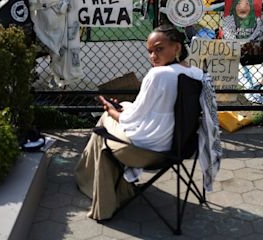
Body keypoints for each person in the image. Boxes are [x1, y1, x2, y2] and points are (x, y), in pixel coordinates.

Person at [74, 25, 209, 221]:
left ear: (177, 48)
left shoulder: (158, 75)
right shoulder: (197, 74)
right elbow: (153, 112)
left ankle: (96, 188)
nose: (153, 56)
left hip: (147, 152)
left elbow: (132, 119)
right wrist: (123, 108)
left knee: (103, 126)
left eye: (159, 49)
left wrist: (110, 110)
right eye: (150, 51)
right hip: (182, 146)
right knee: (123, 109)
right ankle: (116, 187)